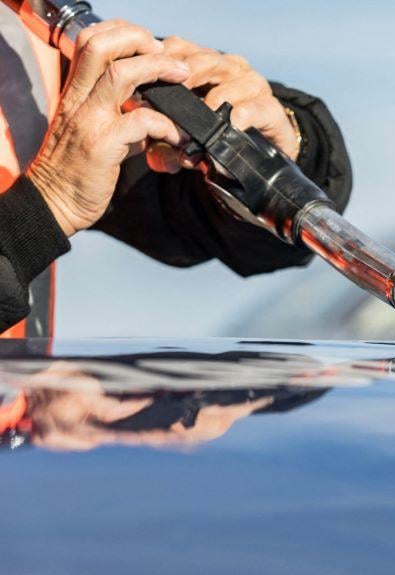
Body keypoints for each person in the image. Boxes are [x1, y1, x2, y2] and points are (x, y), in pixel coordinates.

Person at [0, 14, 352, 337]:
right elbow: (53, 196)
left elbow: (190, 217)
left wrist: (286, 154)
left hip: (25, 402)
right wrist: (47, 204)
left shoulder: (25, 29)